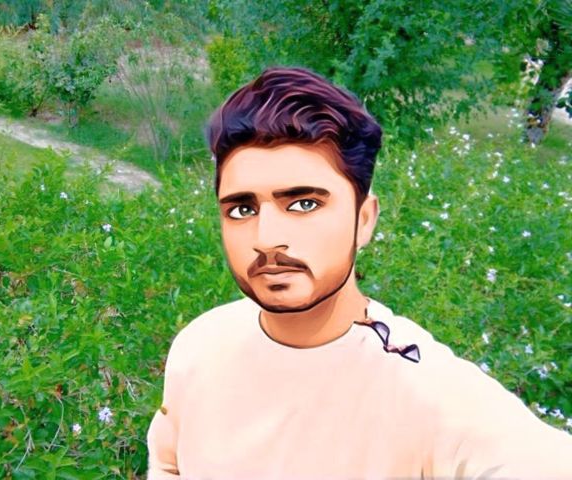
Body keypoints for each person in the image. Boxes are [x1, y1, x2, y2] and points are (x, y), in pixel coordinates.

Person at [146, 66, 572, 480]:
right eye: (242, 209)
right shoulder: (201, 345)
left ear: (364, 220)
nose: (267, 239)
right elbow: (168, 463)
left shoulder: (426, 392)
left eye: (304, 204)